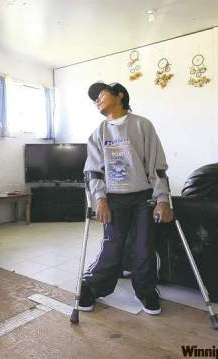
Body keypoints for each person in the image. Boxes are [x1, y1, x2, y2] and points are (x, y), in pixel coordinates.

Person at [79, 82, 173, 315]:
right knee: (113, 246)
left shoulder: (143, 125)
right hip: (114, 199)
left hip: (143, 197)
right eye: (94, 99)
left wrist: (163, 199)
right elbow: (93, 171)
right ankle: (92, 286)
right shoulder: (98, 133)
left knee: (144, 246)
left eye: (100, 94)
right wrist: (99, 198)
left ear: (119, 95)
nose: (96, 100)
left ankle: (146, 290)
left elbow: (157, 167)